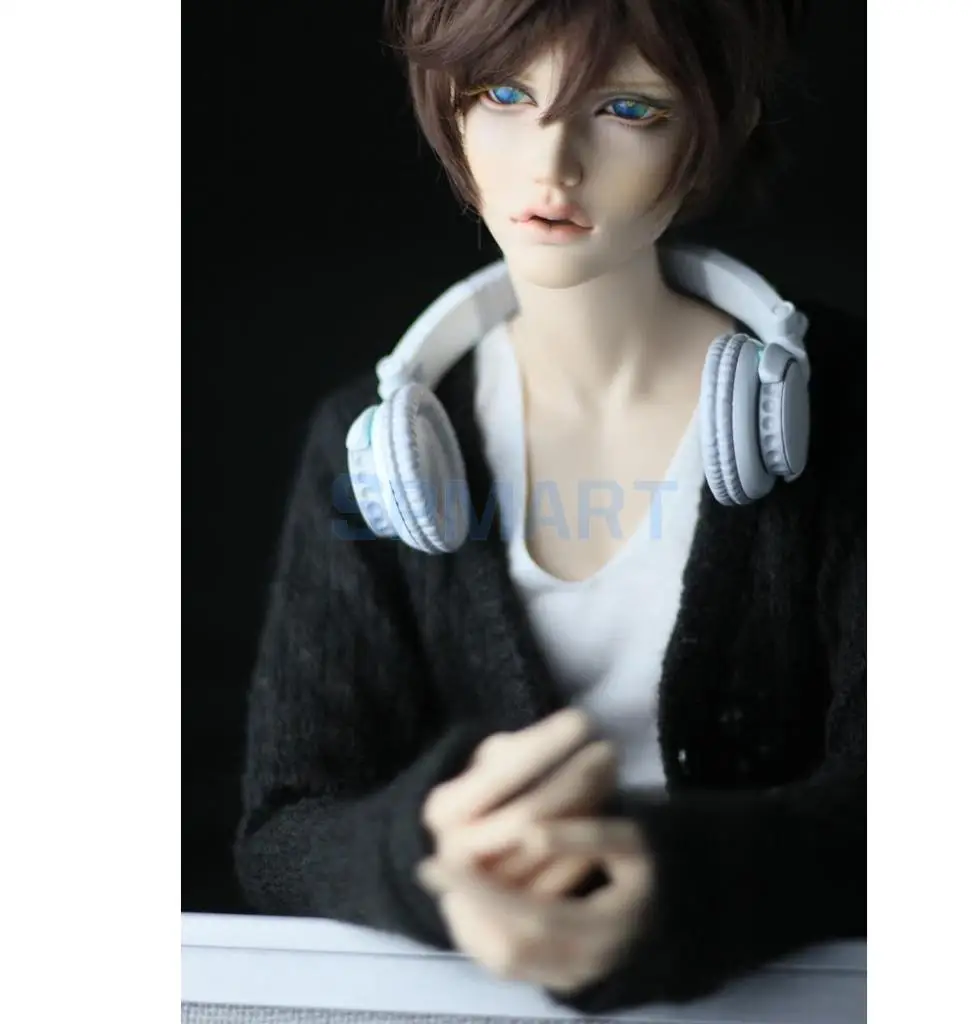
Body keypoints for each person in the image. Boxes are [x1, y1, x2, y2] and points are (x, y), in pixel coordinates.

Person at [234, 0, 865, 1013]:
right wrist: (432, 864)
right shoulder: (372, 441)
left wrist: (673, 881)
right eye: (502, 95)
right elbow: (282, 828)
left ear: (724, 123)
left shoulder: (857, 409)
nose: (551, 164)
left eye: (626, 108)